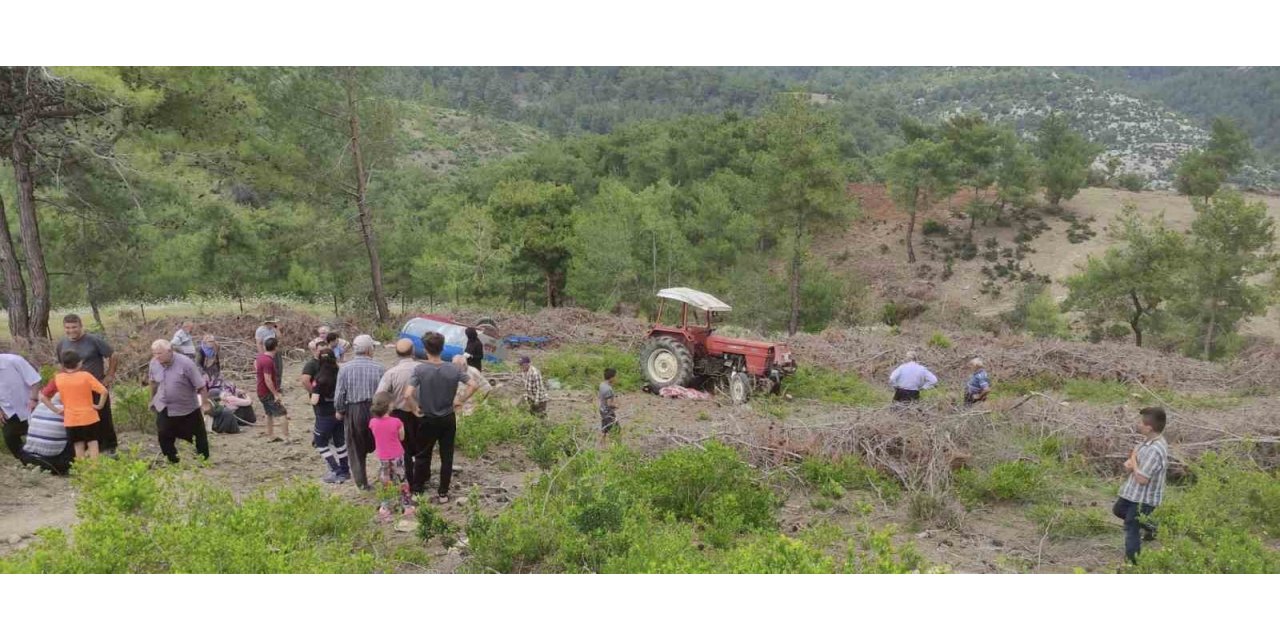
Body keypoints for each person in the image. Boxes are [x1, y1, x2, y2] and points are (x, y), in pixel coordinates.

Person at [403, 332, 476, 503]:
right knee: (447, 456)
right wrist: (460, 400)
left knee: (423, 455)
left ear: (425, 349)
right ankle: (443, 492)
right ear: (442, 348)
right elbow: (473, 384)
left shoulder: (420, 369)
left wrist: (414, 408)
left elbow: (407, 394)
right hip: (447, 417)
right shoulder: (453, 369)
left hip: (427, 418)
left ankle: (417, 490)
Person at [1113, 407, 1169, 565]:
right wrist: (1131, 463)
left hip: (1144, 498)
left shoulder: (1155, 450)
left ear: (1149, 427)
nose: (1138, 425)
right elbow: (1131, 464)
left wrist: (1134, 463)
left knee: (1131, 526)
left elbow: (1142, 479)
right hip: (1133, 493)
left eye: (1141, 423)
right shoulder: (1146, 443)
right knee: (1118, 510)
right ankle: (1152, 528)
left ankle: (1132, 564)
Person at [56, 314, 118, 454]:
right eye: (68, 328)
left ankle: (109, 449)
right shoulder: (62, 344)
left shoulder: (93, 340)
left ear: (81, 326)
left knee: (102, 417)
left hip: (95, 387)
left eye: (74, 327)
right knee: (79, 422)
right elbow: (62, 365)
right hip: (75, 391)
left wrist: (110, 375)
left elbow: (113, 355)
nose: (71, 330)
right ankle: (84, 452)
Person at [148, 339, 212, 464]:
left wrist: (204, 403)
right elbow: (153, 382)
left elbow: (201, 386)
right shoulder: (154, 363)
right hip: (164, 404)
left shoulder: (186, 364)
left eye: (159, 353)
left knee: (198, 434)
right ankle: (172, 460)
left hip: (187, 406)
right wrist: (152, 399)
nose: (157, 356)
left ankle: (204, 460)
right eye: (154, 353)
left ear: (169, 351)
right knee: (163, 433)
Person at [334, 335, 384, 490]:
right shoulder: (379, 368)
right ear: (369, 350)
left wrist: (340, 410)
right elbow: (384, 393)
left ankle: (362, 483)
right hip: (376, 409)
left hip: (354, 409)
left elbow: (340, 393)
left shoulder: (344, 369)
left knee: (355, 447)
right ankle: (387, 477)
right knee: (382, 443)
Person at [39, 350, 107, 461]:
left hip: (71, 419)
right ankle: (95, 468)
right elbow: (104, 391)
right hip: (89, 417)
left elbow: (43, 397)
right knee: (92, 443)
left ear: (63, 365)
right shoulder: (86, 376)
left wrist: (56, 410)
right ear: (80, 363)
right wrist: (99, 406)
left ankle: (81, 469)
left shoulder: (58, 378)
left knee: (78, 445)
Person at [377, 339, 423, 491]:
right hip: (421, 412)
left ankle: (409, 480)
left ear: (396, 353)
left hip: (399, 415)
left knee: (405, 450)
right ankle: (421, 480)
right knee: (422, 448)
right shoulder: (422, 369)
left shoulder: (391, 373)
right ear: (413, 351)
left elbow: (380, 395)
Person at [369, 391, 412, 522]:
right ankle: (406, 506)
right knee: (402, 479)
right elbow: (402, 437)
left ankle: (385, 507)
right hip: (397, 455)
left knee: (385, 481)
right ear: (389, 406)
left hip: (383, 457)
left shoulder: (372, 422)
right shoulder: (397, 421)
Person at [310, 348, 349, 483]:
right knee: (340, 442)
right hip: (339, 413)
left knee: (320, 443)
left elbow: (314, 400)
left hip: (324, 415)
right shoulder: (340, 374)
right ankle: (345, 470)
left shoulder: (319, 378)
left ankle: (336, 470)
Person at [0, 351, 42, 461]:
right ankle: (27, 462)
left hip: (29, 407)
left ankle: (43, 462)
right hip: (7, 410)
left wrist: (34, 399)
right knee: (10, 438)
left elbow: (35, 380)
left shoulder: (14, 360)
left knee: (37, 438)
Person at [20, 395, 74, 475]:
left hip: (27, 458)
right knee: (79, 438)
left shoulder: (39, 406)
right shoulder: (68, 410)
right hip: (53, 463)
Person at [254, 336, 290, 442]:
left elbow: (255, 365)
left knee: (268, 413)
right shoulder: (268, 361)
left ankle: (270, 436)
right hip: (267, 392)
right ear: (276, 347)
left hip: (260, 391)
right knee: (282, 412)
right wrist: (275, 394)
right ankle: (286, 437)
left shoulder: (260, 357)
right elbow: (268, 380)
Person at [255, 316, 283, 381]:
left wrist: (277, 329)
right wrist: (262, 354)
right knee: (269, 369)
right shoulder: (260, 330)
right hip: (266, 351)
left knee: (278, 368)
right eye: (272, 323)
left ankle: (277, 384)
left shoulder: (274, 329)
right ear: (268, 323)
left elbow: (279, 338)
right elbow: (259, 343)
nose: (274, 324)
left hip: (275, 350)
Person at [599, 367, 619, 442]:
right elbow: (609, 404)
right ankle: (615, 445)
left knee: (605, 428)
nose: (616, 378)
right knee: (616, 430)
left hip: (602, 410)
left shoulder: (602, 385)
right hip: (608, 412)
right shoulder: (608, 389)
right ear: (611, 378)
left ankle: (602, 444)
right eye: (615, 376)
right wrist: (616, 406)